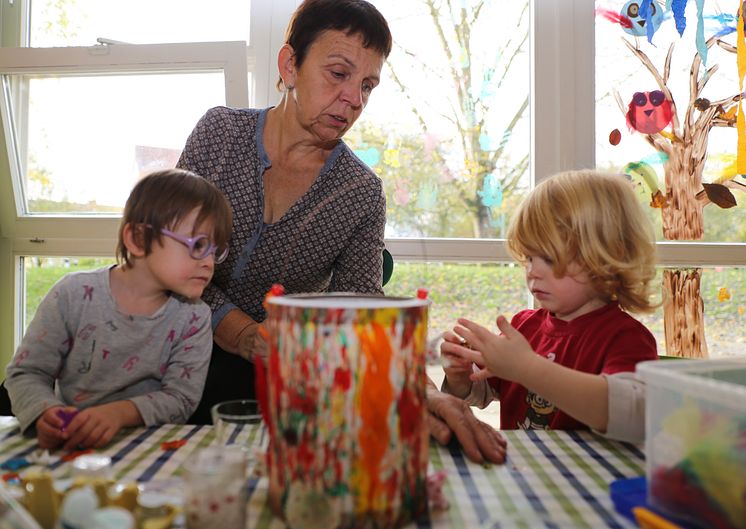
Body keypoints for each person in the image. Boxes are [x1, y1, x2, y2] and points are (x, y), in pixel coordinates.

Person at [176, 0, 393, 424]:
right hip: (168, 344)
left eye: (367, 86)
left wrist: (418, 389)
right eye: (338, 73)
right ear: (290, 65)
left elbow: (360, 314)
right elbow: (169, 256)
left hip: (270, 377)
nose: (353, 99)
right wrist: (241, 332)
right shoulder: (219, 133)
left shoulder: (362, 193)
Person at [5, 169, 232, 450]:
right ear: (137, 239)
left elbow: (180, 399)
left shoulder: (195, 317)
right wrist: (45, 414)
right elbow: (26, 373)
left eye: (215, 250)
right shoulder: (72, 296)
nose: (209, 262)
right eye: (198, 245)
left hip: (145, 451)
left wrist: (118, 414)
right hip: (68, 448)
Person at [440, 170, 658, 436]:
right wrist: (460, 377)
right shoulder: (524, 326)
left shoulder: (625, 338)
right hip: (529, 471)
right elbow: (485, 391)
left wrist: (526, 367)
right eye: (529, 258)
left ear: (606, 258)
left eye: (550, 259)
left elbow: (628, 415)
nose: (532, 271)